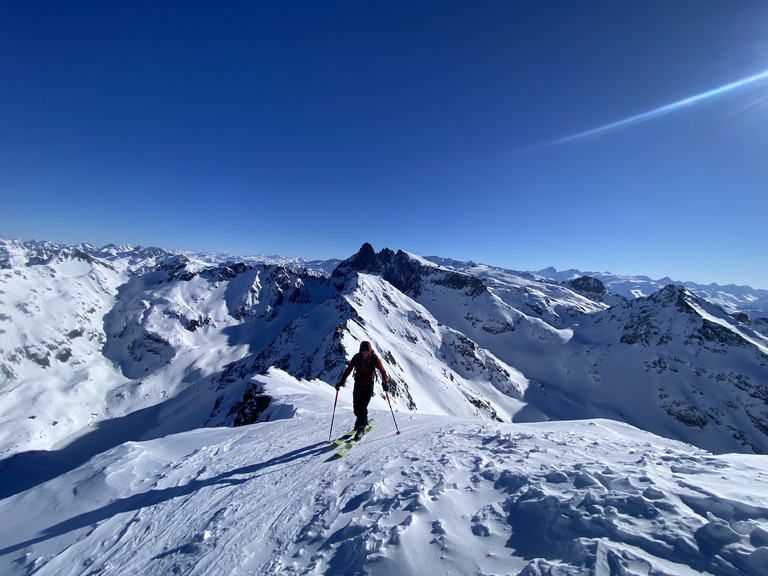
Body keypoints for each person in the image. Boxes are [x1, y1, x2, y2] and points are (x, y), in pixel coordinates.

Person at [336, 341, 388, 440]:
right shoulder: (357, 358)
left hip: (368, 385)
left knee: (363, 407)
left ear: (369, 350)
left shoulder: (374, 358)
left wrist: (384, 382)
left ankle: (361, 428)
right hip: (358, 383)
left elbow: (383, 371)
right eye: (363, 350)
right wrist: (340, 383)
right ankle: (361, 418)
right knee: (356, 408)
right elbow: (348, 370)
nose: (364, 352)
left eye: (366, 350)